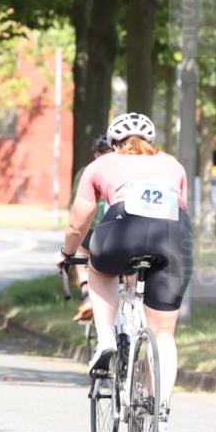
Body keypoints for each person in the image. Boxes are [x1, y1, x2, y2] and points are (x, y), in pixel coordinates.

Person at [56, 112, 192, 432]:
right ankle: (160, 419)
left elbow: (78, 222)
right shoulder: (173, 164)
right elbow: (180, 209)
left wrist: (67, 253)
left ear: (113, 142)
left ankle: (105, 341)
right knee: (164, 336)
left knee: (98, 268)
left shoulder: (100, 165)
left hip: (122, 231)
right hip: (174, 240)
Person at [68, 134, 115, 322]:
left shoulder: (86, 172)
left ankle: (86, 292)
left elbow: (75, 208)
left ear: (96, 154)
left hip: (94, 231)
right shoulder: (123, 170)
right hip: (121, 231)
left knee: (80, 250)